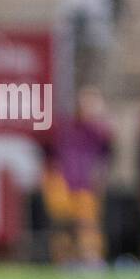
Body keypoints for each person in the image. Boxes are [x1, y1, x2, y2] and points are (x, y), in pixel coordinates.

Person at [42, 85, 113, 267]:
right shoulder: (65, 129)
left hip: (86, 184)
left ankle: (90, 258)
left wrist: (100, 181)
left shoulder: (100, 132)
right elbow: (51, 156)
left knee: (87, 224)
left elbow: (105, 160)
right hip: (65, 183)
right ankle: (64, 259)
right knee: (64, 224)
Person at [58, 0, 126, 92]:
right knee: (78, 74)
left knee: (97, 74)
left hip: (100, 37)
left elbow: (119, 5)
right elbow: (66, 13)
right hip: (78, 40)